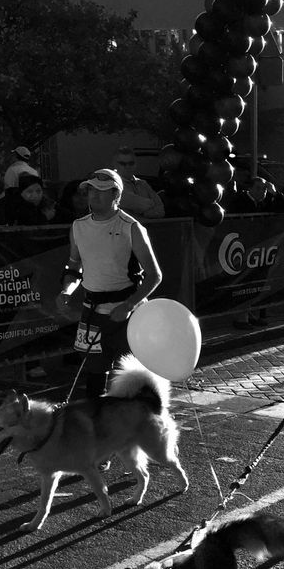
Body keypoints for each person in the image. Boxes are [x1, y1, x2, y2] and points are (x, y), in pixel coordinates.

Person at [57, 168, 162, 398]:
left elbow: (155, 275)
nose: (94, 196)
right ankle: (97, 425)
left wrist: (128, 306)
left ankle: (142, 425)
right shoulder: (78, 227)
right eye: (91, 190)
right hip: (92, 313)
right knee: (94, 374)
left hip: (128, 315)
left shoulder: (131, 227)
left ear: (116, 195)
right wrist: (67, 290)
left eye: (102, 191)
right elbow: (74, 266)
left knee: (132, 377)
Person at [114, 147, 165, 220]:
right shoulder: (112, 184)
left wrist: (141, 212)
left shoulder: (143, 184)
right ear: (116, 165)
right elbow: (137, 204)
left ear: (135, 164)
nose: (127, 167)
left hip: (148, 228)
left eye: (131, 163)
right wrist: (150, 205)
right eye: (123, 164)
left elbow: (161, 210)